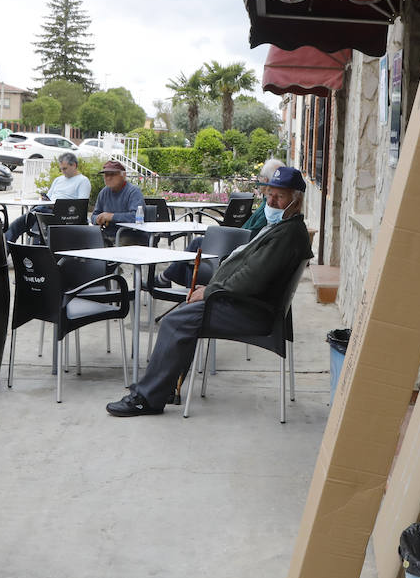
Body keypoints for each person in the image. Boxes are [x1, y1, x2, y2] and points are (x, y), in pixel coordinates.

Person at [106, 166, 314, 417]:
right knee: (184, 313)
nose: (270, 201)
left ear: (296, 200)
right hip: (242, 302)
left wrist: (210, 292)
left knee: (175, 321)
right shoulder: (283, 229)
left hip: (250, 310)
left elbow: (251, 279)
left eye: (278, 197)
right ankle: (164, 386)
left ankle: (147, 399)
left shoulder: (288, 234)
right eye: (268, 195)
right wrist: (212, 289)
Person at [158, 157, 284, 288]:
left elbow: (253, 237)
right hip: (238, 242)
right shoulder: (267, 204)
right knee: (194, 258)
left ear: (267, 181)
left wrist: (228, 235)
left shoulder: (270, 208)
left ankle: (168, 279)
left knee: (197, 245)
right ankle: (170, 279)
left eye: (261, 177)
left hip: (236, 247)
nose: (259, 179)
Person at [5, 152, 91, 242]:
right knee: (17, 224)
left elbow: (81, 205)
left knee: (34, 218)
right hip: (46, 209)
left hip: (64, 214)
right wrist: (45, 200)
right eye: (61, 169)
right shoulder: (58, 180)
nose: (63, 171)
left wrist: (58, 206)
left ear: (73, 165)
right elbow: (48, 198)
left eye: (65, 168)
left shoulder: (83, 181)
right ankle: (7, 247)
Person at [90, 159, 145, 244]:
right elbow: (94, 215)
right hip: (107, 234)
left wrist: (111, 217)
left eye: (112, 174)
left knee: (123, 242)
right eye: (106, 175)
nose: (108, 178)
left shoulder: (133, 192)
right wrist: (98, 219)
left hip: (130, 234)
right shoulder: (104, 192)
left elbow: (136, 217)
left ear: (123, 175)